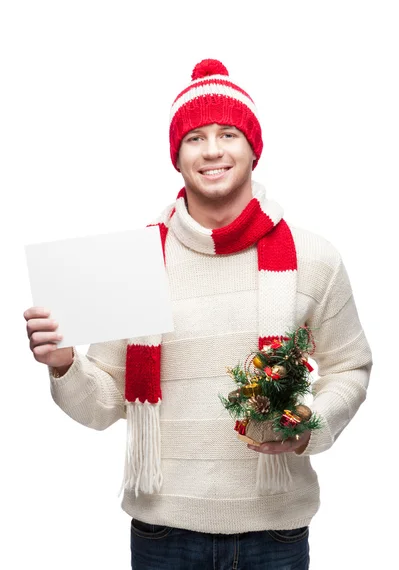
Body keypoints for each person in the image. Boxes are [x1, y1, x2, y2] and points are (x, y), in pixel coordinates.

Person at [23, 58, 372, 570]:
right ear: (177, 156)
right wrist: (64, 365)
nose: (212, 150)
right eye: (195, 137)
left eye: (227, 133)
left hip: (273, 536)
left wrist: (310, 424)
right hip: (164, 534)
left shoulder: (313, 257)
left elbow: (351, 367)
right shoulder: (135, 261)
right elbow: (102, 406)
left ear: (253, 148)